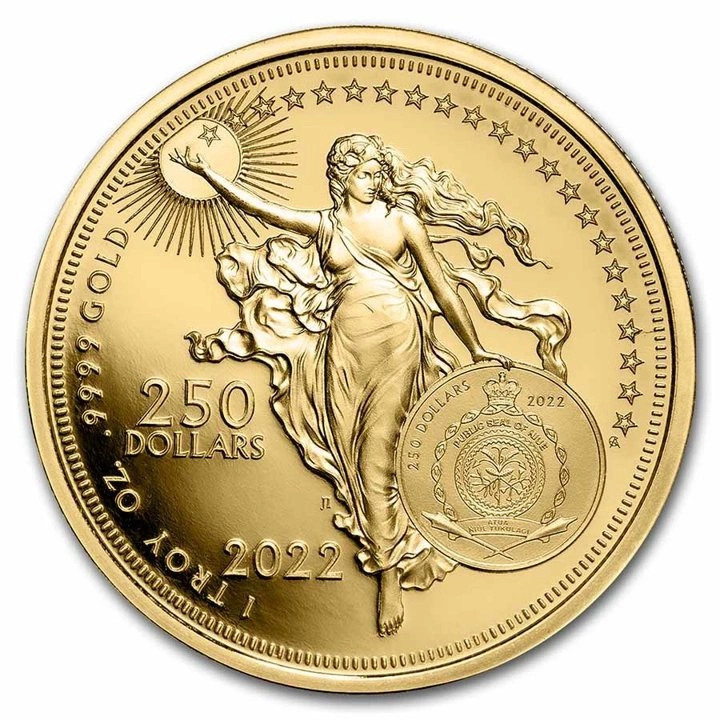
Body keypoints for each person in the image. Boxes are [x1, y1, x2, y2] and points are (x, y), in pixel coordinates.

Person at [172, 134, 569, 636]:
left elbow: (443, 288)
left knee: (376, 452)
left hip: (398, 339)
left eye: (379, 172)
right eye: (365, 172)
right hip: (343, 348)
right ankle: (389, 550)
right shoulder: (326, 224)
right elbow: (261, 209)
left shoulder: (403, 222)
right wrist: (210, 176)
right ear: (342, 177)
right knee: (349, 452)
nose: (375, 180)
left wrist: (475, 347)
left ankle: (388, 575)